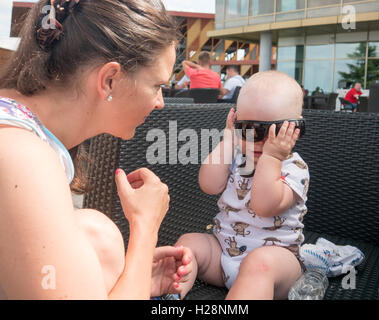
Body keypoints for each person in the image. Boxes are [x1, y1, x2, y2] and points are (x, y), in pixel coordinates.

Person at [0, 0, 192, 300]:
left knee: (96, 234)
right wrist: (145, 227)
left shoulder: (17, 129)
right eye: (157, 86)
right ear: (110, 79)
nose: (160, 103)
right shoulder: (25, 157)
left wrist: (135, 276)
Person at [176, 71, 310, 300]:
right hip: (223, 254)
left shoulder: (294, 167)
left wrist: (273, 157)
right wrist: (228, 140)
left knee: (260, 263)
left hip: (275, 268)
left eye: (273, 131)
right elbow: (208, 184)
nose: (258, 140)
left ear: (294, 131)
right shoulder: (237, 157)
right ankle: (170, 295)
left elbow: (264, 206)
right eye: (248, 128)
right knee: (188, 244)